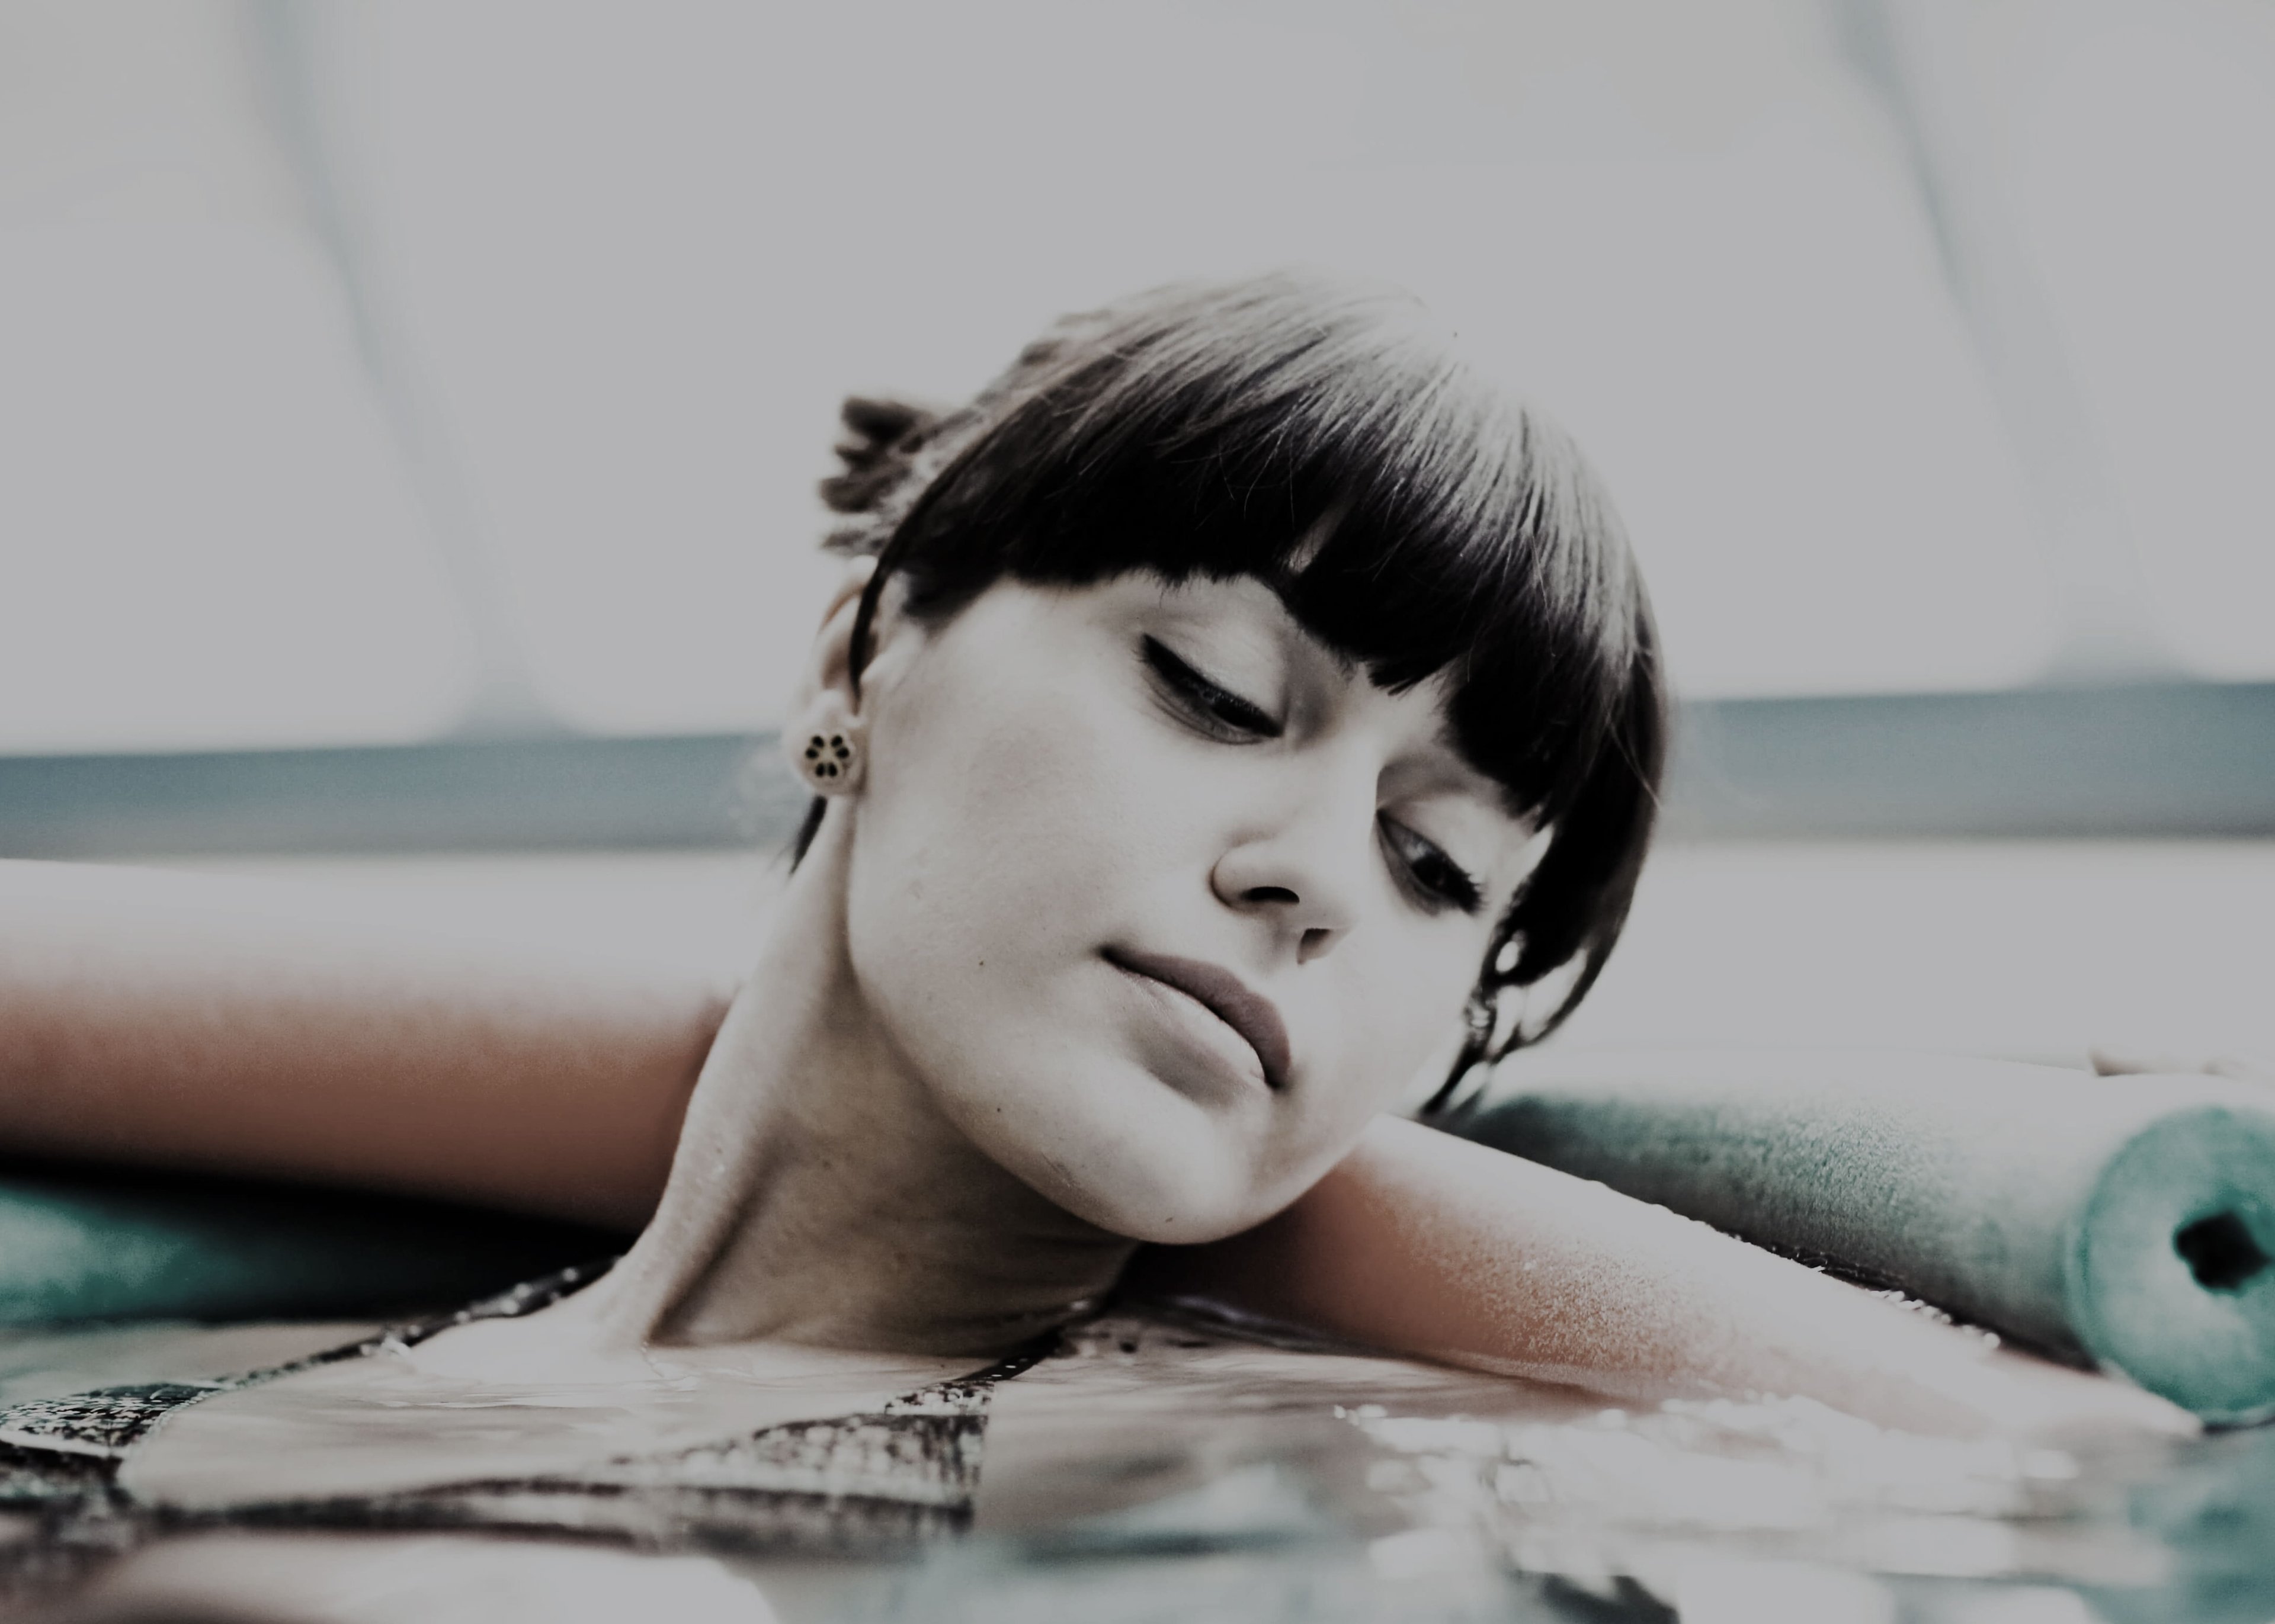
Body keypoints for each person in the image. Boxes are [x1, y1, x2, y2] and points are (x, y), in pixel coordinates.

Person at [0, 277, 2192, 1520]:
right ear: (866, 655)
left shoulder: (1236, 1494)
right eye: (1220, 694)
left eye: (1442, 870)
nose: (1319, 873)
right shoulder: (383, 1332)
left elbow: (2090, 1489)